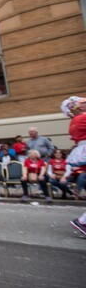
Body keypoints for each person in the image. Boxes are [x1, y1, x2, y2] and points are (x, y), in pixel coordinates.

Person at [61, 96, 86, 232]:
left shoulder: (74, 121)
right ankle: (82, 222)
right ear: (79, 107)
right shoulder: (82, 118)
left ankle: (82, 222)